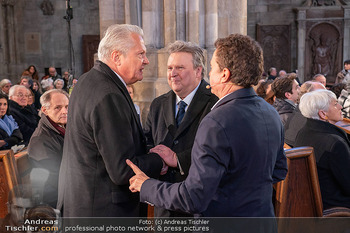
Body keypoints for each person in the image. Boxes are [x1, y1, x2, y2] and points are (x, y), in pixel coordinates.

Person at [127, 34, 287, 217]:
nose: (209, 75)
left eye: (212, 68)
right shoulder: (271, 112)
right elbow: (279, 171)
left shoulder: (216, 121)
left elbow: (193, 197)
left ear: (225, 74)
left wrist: (146, 185)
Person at [57, 24, 167, 217]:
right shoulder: (109, 95)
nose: (146, 61)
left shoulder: (88, 80)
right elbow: (122, 169)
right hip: (104, 210)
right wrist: (160, 159)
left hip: (83, 205)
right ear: (117, 57)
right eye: (140, 54)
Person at [143, 40, 218, 217]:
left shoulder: (215, 103)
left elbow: (216, 150)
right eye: (170, 68)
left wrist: (178, 160)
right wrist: (156, 160)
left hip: (200, 207)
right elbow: (147, 141)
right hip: (165, 204)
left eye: (180, 68)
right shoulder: (158, 104)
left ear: (198, 71)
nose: (173, 74)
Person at [295, 89, 350, 210]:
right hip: (334, 205)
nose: (341, 107)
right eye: (335, 104)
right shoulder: (334, 143)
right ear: (323, 114)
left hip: (314, 199)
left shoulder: (303, 132)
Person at [28, 89, 69, 208]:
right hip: (54, 200)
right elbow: (54, 177)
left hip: (65, 189)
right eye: (58, 107)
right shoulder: (40, 139)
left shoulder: (62, 127)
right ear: (45, 110)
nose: (65, 111)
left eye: (67, 106)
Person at [284, 81, 326, 147]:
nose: (327, 98)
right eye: (323, 95)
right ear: (310, 97)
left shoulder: (299, 111)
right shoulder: (308, 120)